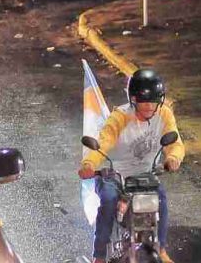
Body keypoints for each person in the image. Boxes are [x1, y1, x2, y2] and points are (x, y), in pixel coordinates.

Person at [78, 69, 185, 263]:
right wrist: (89, 163)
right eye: (144, 102)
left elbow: (174, 142)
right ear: (133, 99)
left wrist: (173, 158)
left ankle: (160, 248)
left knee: (160, 197)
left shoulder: (165, 115)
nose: (149, 107)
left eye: (154, 101)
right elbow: (103, 142)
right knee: (108, 200)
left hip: (144, 175)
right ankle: (99, 255)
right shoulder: (120, 117)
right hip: (113, 174)